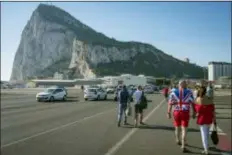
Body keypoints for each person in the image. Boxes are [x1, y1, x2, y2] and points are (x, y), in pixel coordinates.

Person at [167, 80, 196, 152]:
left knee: (177, 127)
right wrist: (194, 112)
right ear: (185, 85)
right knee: (184, 129)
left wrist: (168, 112)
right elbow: (192, 103)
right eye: (186, 83)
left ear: (179, 85)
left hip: (176, 112)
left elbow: (170, 103)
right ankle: (183, 145)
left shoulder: (173, 92)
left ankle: (177, 139)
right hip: (185, 112)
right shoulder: (189, 92)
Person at [195, 86, 215, 155]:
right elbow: (213, 110)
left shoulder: (198, 99)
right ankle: (207, 146)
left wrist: (196, 114)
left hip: (202, 119)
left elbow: (197, 111)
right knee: (206, 133)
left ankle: (206, 149)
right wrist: (214, 119)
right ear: (206, 91)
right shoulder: (209, 99)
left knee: (203, 134)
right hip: (209, 118)